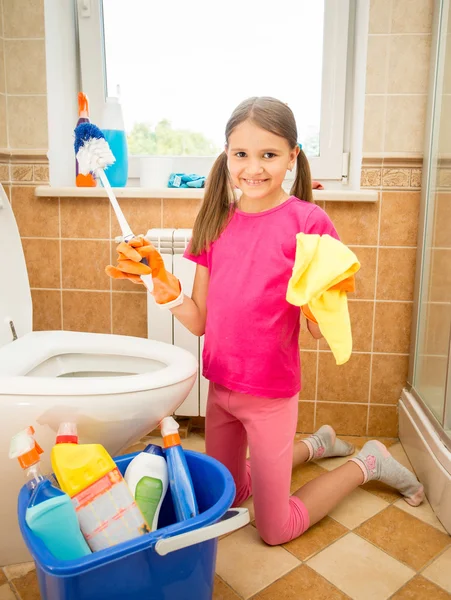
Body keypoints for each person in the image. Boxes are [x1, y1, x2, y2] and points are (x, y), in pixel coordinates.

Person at [106, 97, 424, 546]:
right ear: (226, 156)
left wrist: (317, 303)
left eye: (268, 155)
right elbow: (198, 322)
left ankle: (365, 463)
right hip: (221, 389)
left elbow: (318, 330)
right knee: (230, 493)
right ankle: (316, 445)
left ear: (293, 156)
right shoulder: (214, 222)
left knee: (275, 530)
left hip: (272, 395)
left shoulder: (309, 223)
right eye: (241, 154)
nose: (253, 168)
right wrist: (163, 284)